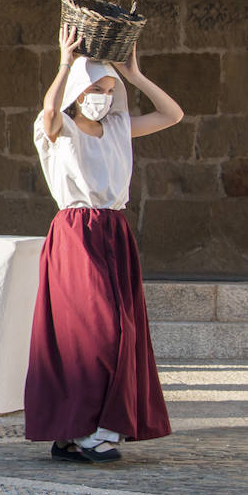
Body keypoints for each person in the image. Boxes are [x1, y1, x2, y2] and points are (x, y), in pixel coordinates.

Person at [27, 31, 181, 463]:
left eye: (109, 90)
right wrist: (63, 64)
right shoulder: (59, 129)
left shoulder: (117, 128)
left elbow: (172, 114)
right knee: (95, 333)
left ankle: (83, 430)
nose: (103, 96)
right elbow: (50, 111)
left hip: (114, 232)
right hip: (77, 233)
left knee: (121, 331)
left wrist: (134, 74)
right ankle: (89, 428)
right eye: (96, 88)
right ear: (80, 90)